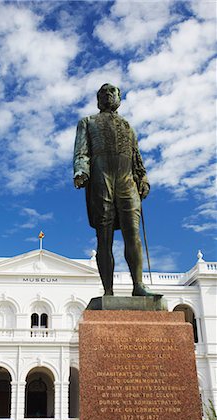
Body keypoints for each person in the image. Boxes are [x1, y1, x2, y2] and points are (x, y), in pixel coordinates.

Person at [73, 83, 156, 297]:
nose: (107, 95)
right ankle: (108, 291)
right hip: (102, 180)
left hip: (127, 182)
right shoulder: (87, 122)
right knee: (104, 236)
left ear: (119, 98)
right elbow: (81, 151)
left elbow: (137, 158)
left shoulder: (128, 127)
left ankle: (138, 285)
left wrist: (143, 178)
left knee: (133, 234)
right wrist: (81, 171)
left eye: (112, 92)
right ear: (98, 99)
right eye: (103, 93)